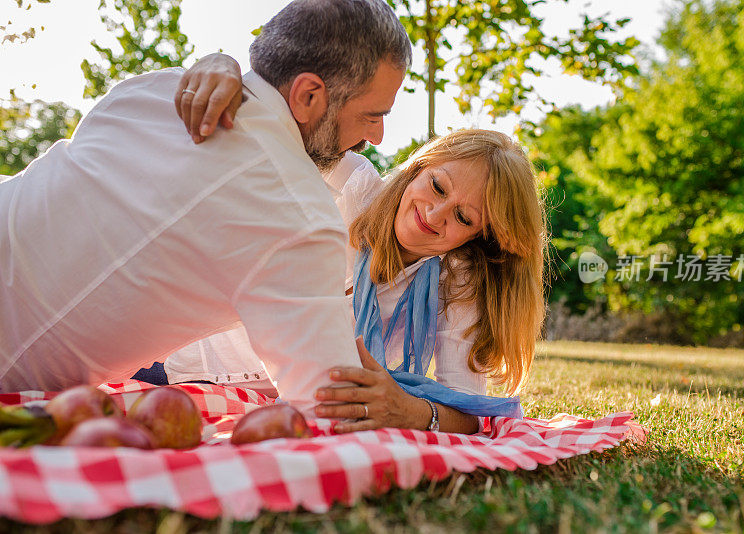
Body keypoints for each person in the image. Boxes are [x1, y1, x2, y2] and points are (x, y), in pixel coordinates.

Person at [0, 0, 411, 416]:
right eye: (372, 115)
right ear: (308, 95)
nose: (375, 137)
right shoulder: (298, 216)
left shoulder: (152, 89)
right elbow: (330, 406)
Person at [169, 58, 547, 433]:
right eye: (437, 186)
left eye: (464, 218)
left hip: (271, 407)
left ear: (479, 238)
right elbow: (271, 125)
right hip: (176, 360)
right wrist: (224, 69)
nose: (434, 216)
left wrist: (410, 411)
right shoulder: (349, 184)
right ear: (418, 168)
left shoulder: (457, 279)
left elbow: (468, 408)